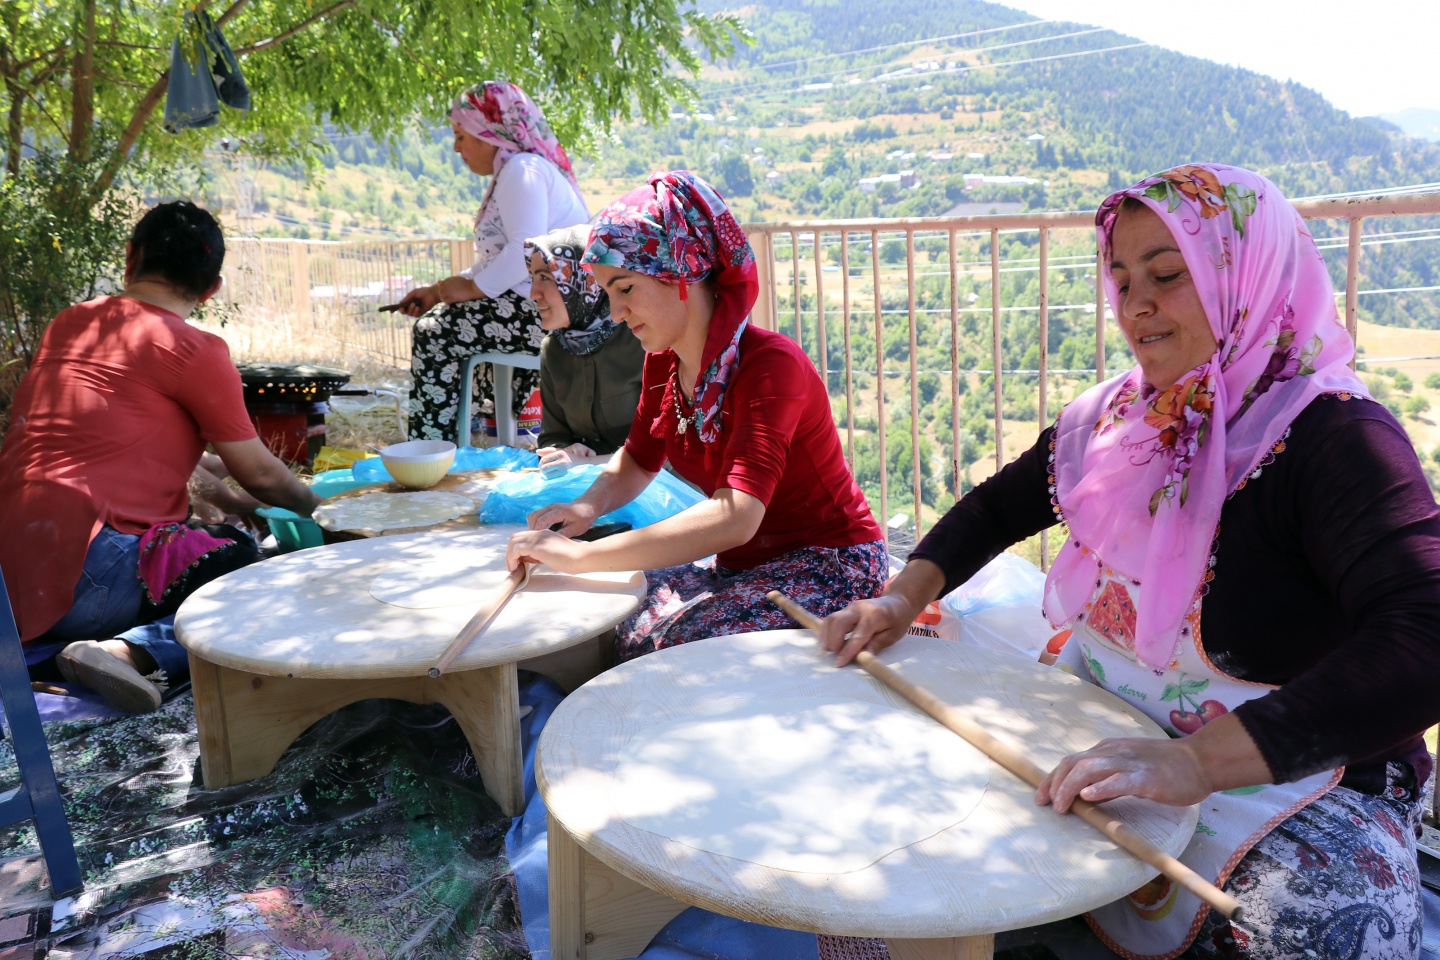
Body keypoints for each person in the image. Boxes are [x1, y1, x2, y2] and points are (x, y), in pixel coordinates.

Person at [820, 164, 1438, 960]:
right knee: (893, 847)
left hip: (1297, 782)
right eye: (1120, 277)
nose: (1136, 303)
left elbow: (1426, 635)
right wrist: (899, 602)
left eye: (1168, 274)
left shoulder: (1335, 437)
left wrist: (1192, 763)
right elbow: (997, 508)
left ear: (1242, 275)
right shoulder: (1122, 420)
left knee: (1316, 928)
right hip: (1106, 734)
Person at [506, 171, 886, 661]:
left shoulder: (771, 366)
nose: (616, 312)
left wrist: (580, 558)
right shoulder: (663, 360)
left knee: (668, 647)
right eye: (607, 294)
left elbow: (736, 516)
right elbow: (639, 459)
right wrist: (587, 507)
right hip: (743, 564)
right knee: (622, 616)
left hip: (828, 565)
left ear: (681, 272)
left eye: (625, 288)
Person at [0, 201, 321, 714]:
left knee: (218, 535)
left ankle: (80, 649)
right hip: (89, 577)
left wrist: (237, 501)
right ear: (212, 287)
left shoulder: (72, 323)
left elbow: (145, 456)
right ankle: (127, 651)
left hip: (11, 576)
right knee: (241, 563)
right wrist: (322, 509)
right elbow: (261, 470)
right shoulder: (195, 350)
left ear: (130, 257)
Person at [399, 80, 589, 442]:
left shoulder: (522, 170)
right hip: (540, 307)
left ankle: (431, 450)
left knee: (434, 331)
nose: (457, 148)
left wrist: (468, 288)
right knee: (445, 318)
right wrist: (438, 292)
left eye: (461, 135)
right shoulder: (519, 170)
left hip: (553, 314)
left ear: (490, 134)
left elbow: (523, 249)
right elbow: (500, 260)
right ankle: (460, 439)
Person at [523, 224, 645, 472]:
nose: (533, 293)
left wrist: (588, 463)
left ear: (585, 280)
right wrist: (563, 451)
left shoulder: (643, 340)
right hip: (585, 489)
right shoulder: (554, 350)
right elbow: (551, 436)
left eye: (545, 277)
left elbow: (667, 453)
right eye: (533, 278)